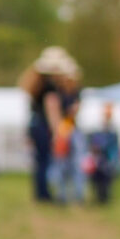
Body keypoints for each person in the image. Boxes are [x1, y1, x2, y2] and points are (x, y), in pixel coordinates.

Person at [19, 46, 82, 203]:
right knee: (46, 160)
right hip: (44, 126)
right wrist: (57, 132)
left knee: (40, 161)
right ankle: (45, 195)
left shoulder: (37, 84)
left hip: (35, 125)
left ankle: (41, 193)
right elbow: (52, 109)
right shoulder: (50, 86)